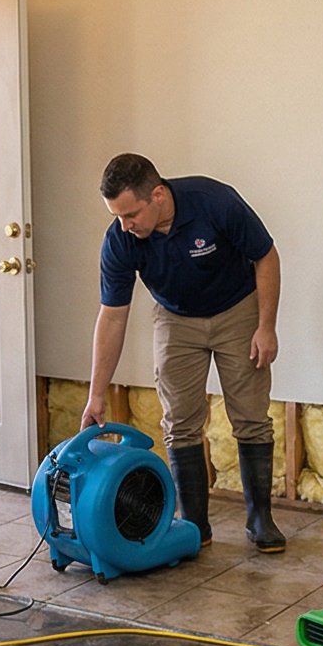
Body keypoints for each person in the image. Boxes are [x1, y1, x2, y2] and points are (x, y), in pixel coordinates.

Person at [82, 154, 287, 552]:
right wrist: (96, 394)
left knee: (250, 416)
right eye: (117, 216)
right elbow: (112, 317)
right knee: (179, 420)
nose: (125, 225)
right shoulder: (121, 239)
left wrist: (266, 327)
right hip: (175, 317)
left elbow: (266, 256)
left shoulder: (215, 202)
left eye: (130, 214)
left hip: (237, 309)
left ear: (157, 195)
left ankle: (260, 518)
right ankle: (194, 525)